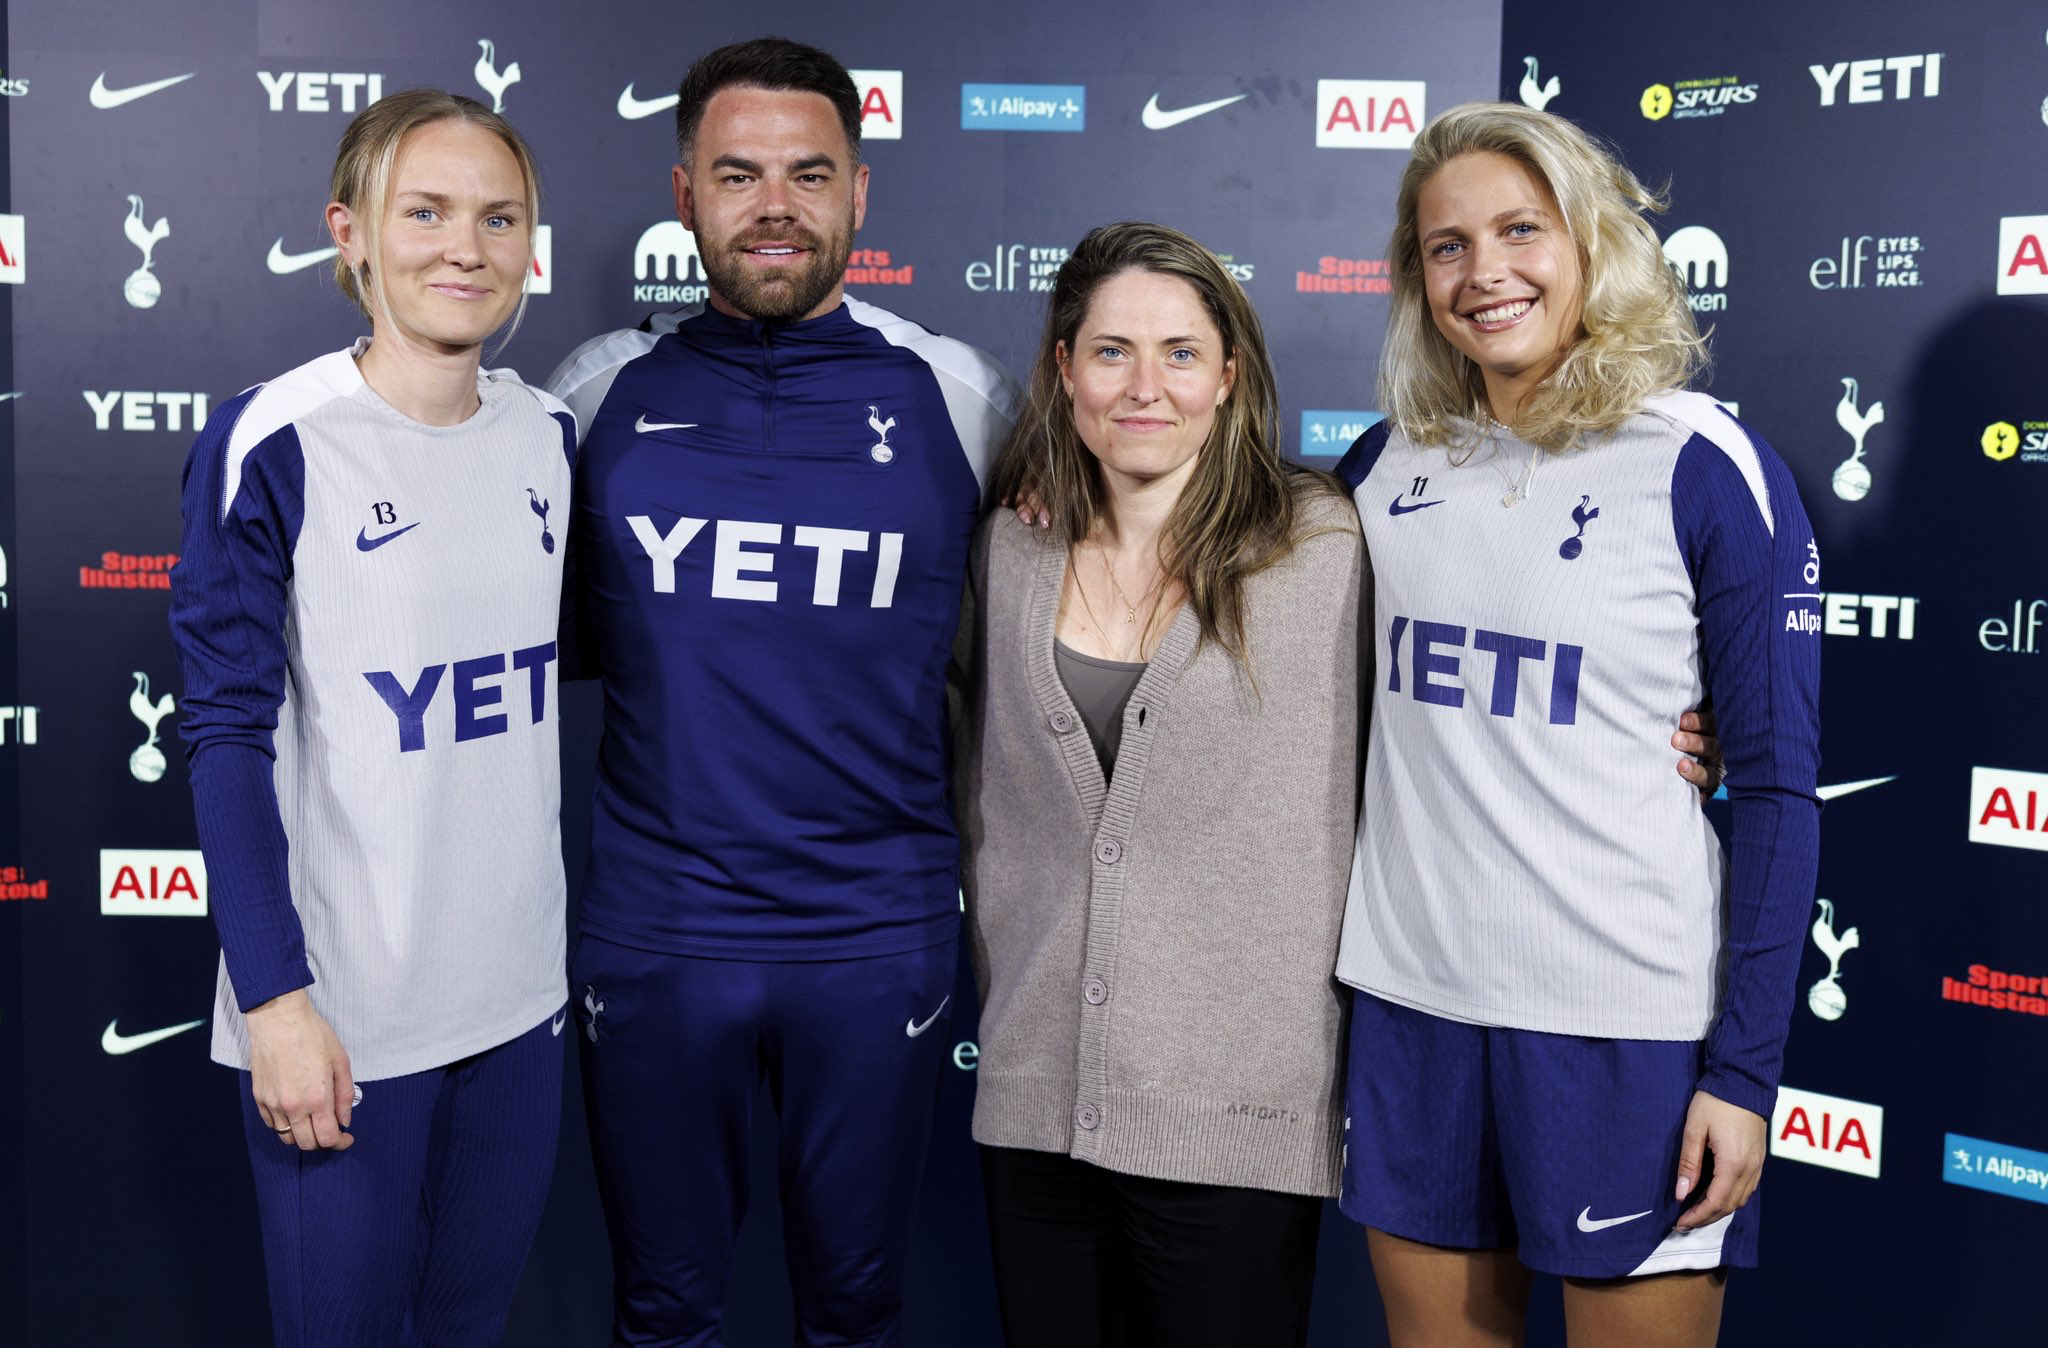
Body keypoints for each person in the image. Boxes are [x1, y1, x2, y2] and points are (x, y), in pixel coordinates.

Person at [543, 38, 1019, 1347]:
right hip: (657, 936)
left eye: (810, 174)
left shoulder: (959, 393)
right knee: (664, 1310)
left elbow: (1080, 620)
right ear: (684, 190)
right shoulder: (593, 395)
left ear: (860, 194)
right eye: (739, 173)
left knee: (856, 1310)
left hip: (877, 939)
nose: (775, 206)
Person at [1331, 101, 1821, 1347]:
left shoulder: (1703, 462)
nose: (1483, 272)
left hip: (1625, 1034)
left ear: (1590, 241)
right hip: (1409, 1009)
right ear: (1414, 277)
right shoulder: (1382, 465)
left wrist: (1742, 1076)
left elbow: (1771, 790)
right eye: (1446, 246)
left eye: (1518, 230)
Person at [169, 90, 574, 1345]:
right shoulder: (275, 438)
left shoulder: (551, 434)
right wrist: (277, 1004)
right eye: (428, 212)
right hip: (342, 1021)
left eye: (498, 217)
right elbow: (224, 734)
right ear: (349, 233)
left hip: (517, 1011)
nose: (467, 247)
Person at [958, 221, 1363, 1348]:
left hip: (1232, 1116)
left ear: (1229, 375)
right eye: (1111, 352)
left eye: (1181, 353)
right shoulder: (1006, 547)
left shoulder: (1322, 545)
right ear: (1062, 369)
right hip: (1036, 1108)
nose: (1146, 387)